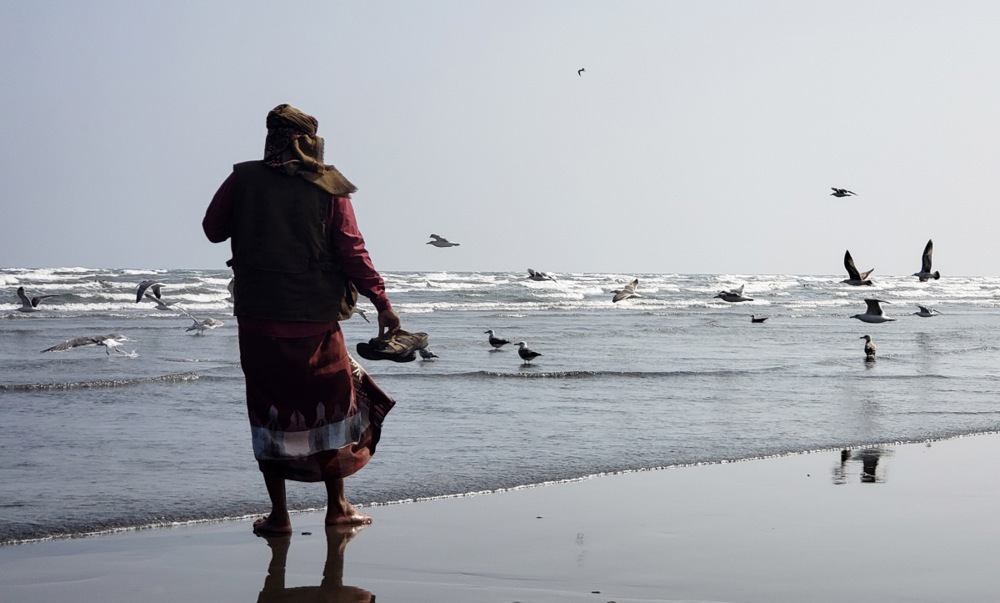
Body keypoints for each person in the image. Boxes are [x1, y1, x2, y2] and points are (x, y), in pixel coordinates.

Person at [203, 103, 400, 536]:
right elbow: (352, 251)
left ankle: (279, 516)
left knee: (270, 413)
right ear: (310, 140)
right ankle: (338, 507)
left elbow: (213, 230)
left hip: (257, 321)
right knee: (330, 412)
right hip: (315, 321)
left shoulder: (243, 178)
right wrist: (381, 301)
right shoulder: (327, 186)